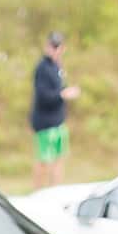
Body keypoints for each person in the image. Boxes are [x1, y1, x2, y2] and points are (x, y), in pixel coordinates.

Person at [29, 31, 81, 189]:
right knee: (44, 161)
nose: (54, 49)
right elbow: (43, 95)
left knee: (59, 158)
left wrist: (66, 91)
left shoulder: (57, 66)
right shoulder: (42, 68)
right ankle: (38, 192)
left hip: (58, 120)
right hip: (45, 122)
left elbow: (59, 88)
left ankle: (54, 191)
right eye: (52, 45)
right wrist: (63, 94)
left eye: (57, 46)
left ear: (62, 48)